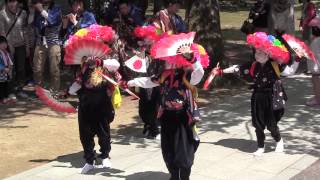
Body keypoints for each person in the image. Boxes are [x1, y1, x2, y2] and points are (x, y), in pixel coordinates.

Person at [212, 32, 292, 156]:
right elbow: (237, 68)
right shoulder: (253, 65)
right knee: (258, 123)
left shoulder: (276, 65)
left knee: (271, 124)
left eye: (260, 52)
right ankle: (260, 146)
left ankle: (279, 140)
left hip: (272, 97)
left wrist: (297, 59)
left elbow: (290, 72)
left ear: (268, 53)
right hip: (258, 97)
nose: (257, 54)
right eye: (256, 52)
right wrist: (221, 72)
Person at [127, 51, 203, 180]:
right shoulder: (164, 75)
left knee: (184, 152)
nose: (169, 62)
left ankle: (184, 177)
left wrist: (192, 58)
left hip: (183, 118)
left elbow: (199, 74)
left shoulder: (187, 74)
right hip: (167, 117)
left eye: (173, 60)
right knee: (168, 150)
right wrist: (132, 82)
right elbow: (148, 81)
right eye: (168, 60)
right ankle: (174, 175)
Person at [74, 57, 121, 174]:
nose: (89, 58)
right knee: (85, 135)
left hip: (102, 107)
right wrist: (67, 92)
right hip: (85, 107)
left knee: (103, 134)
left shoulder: (105, 67)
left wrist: (99, 62)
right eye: (87, 56)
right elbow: (77, 85)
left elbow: (117, 67)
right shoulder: (83, 69)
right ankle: (89, 161)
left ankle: (105, 156)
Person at [0, 0, 28, 97]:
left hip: (21, 45)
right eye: (9, 2)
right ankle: (11, 91)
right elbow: (2, 32)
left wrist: (27, 46)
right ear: (6, 3)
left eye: (14, 1)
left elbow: (25, 30)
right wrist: (6, 47)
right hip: (8, 46)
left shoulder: (23, 13)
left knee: (21, 68)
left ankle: (20, 89)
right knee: (11, 69)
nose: (12, 4)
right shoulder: (2, 14)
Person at [33, 0, 62, 93]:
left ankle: (54, 91)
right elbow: (35, 24)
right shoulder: (37, 8)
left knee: (54, 68)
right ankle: (39, 91)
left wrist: (41, 10)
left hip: (53, 41)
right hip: (40, 41)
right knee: (37, 68)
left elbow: (52, 21)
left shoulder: (56, 8)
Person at [306, 21, 320, 106]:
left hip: (317, 67)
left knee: (316, 83)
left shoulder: (316, 41)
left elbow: (312, 53)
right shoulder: (316, 40)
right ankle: (317, 97)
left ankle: (318, 99)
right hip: (317, 66)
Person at [0, 36, 13, 104]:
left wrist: (10, 69)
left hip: (6, 71)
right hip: (1, 71)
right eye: (2, 44)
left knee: (6, 84)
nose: (4, 45)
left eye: (5, 43)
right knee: (1, 85)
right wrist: (3, 68)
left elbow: (10, 62)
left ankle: (6, 97)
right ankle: (2, 98)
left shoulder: (6, 53)